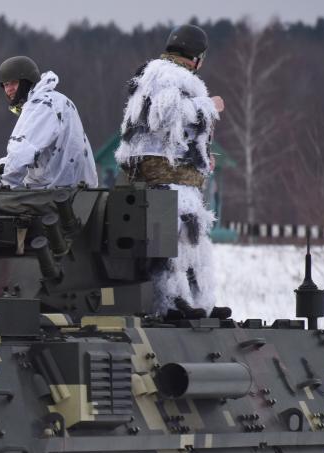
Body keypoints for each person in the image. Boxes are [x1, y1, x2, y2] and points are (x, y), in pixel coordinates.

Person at [115, 24, 227, 318]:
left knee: (191, 244)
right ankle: (173, 304)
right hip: (165, 180)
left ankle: (198, 302)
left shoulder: (163, 74)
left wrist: (202, 156)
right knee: (173, 245)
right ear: (197, 56)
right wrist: (208, 105)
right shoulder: (166, 74)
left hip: (179, 180)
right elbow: (162, 116)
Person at [0, 56, 99, 190]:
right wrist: (4, 167)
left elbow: (23, 149)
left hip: (59, 194)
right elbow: (32, 149)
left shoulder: (43, 105)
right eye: (5, 85)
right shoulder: (51, 100)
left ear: (27, 82)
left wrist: (4, 180)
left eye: (14, 83)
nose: (9, 89)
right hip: (68, 189)